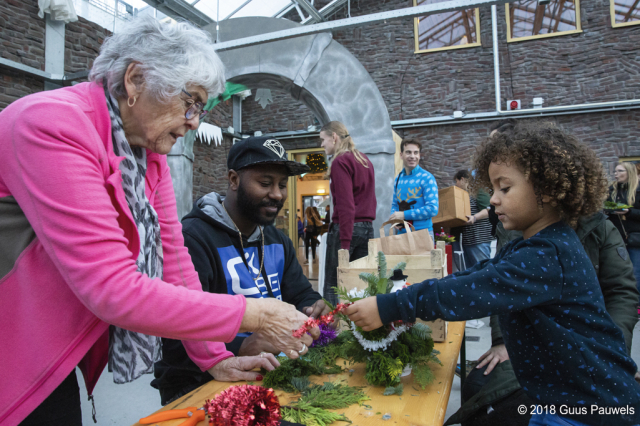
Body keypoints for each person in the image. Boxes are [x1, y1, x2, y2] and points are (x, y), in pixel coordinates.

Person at [0, 17, 315, 426]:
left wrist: (214, 358)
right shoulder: (49, 125)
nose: (195, 121)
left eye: (202, 108)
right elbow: (112, 288)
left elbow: (174, 262)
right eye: (192, 102)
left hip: (50, 342)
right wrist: (255, 313)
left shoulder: (147, 155)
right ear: (135, 80)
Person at [346, 122, 640, 426]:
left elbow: (471, 290)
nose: (494, 199)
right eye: (492, 189)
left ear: (549, 190)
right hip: (556, 398)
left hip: (590, 409)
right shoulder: (534, 244)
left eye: (505, 188)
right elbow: (479, 273)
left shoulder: (547, 255)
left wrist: (388, 307)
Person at [152, 137, 329, 405]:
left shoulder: (277, 240)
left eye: (282, 185)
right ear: (234, 180)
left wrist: (315, 307)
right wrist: (240, 347)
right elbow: (174, 336)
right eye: (265, 183)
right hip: (198, 384)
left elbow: (301, 294)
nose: (278, 194)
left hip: (267, 374)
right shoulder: (193, 239)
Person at [446, 210, 639, 426]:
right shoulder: (516, 226)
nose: (494, 200)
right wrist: (502, 342)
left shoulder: (600, 228)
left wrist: (611, 351)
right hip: (529, 342)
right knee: (479, 384)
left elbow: (621, 293)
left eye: (506, 187)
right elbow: (497, 287)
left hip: (589, 349)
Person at [320, 121, 376, 306]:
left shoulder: (340, 161)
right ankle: (357, 330)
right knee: (360, 285)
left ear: (334, 137)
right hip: (367, 229)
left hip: (347, 230)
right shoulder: (365, 160)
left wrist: (344, 243)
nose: (322, 145)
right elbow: (370, 200)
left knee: (333, 285)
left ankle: (331, 332)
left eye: (323, 140)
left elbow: (345, 205)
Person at [389, 138, 439, 238]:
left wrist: (404, 215)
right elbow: (395, 204)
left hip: (422, 235)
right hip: (401, 235)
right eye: (408, 152)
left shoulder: (427, 178)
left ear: (419, 156)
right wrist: (394, 218)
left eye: (416, 153)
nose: (412, 156)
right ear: (401, 155)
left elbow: (433, 209)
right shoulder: (398, 179)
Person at [606, 162, 640, 301]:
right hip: (616, 236)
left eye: (620, 171)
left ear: (629, 173)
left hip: (635, 237)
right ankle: (622, 301)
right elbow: (604, 207)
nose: (616, 174)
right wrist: (609, 208)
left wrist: (629, 211)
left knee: (636, 271)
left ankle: (635, 304)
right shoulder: (612, 190)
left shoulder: (638, 191)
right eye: (615, 171)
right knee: (618, 271)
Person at [451, 169, 494, 270]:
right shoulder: (465, 194)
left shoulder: (478, 190)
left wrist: (475, 217)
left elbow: (489, 209)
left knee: (482, 269)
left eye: (456, 182)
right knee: (472, 271)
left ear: (462, 179)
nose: (456, 185)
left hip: (480, 239)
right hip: (469, 240)